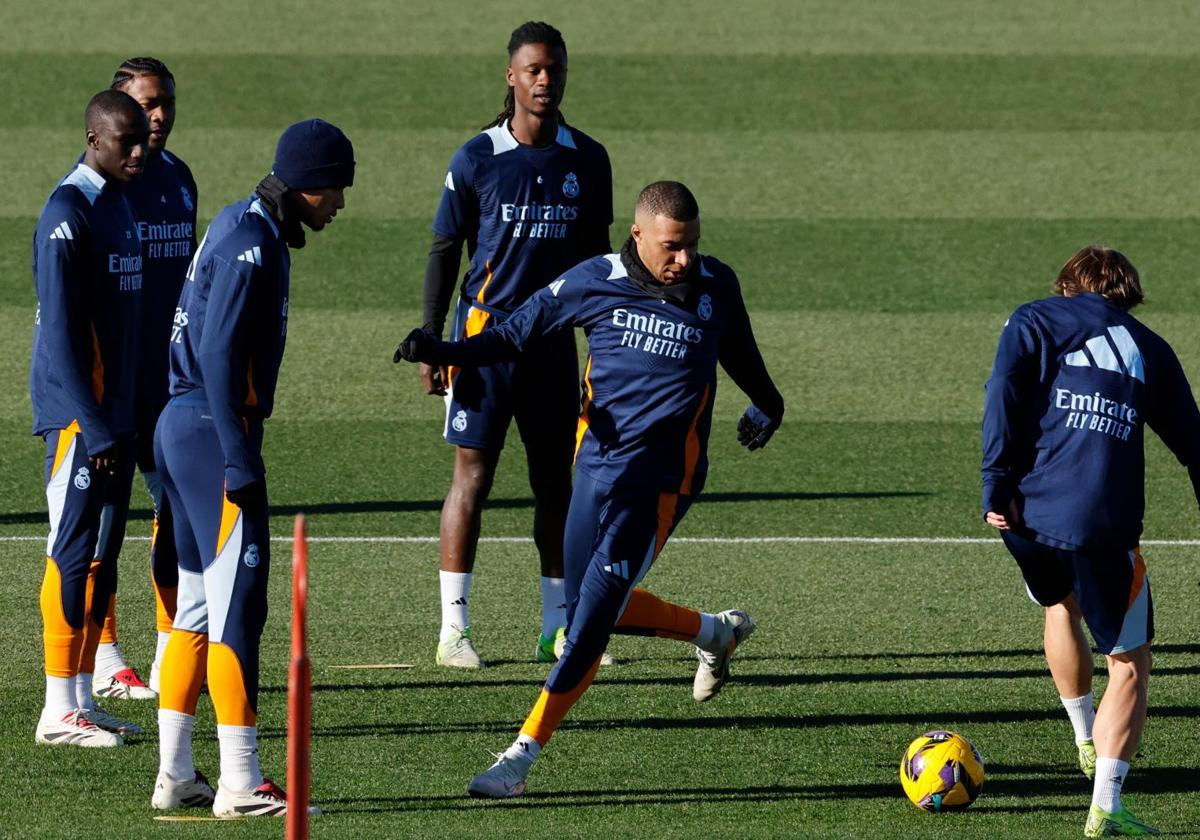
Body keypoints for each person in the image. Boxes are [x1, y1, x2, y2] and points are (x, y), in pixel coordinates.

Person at [395, 180, 785, 797]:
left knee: (586, 629)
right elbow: (515, 332)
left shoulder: (716, 286)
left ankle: (518, 759)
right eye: (671, 248)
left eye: (690, 246)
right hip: (596, 474)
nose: (684, 261)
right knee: (587, 612)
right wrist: (444, 348)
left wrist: (769, 403)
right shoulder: (594, 280)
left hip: (660, 484)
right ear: (638, 235)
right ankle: (716, 632)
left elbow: (736, 346)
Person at [150, 119, 353, 817]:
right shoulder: (252, 242)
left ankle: (175, 773)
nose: (340, 205)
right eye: (335, 189)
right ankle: (240, 781)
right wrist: (239, 457)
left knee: (199, 609)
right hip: (212, 433)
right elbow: (214, 353)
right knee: (242, 603)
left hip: (183, 428)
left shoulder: (246, 223)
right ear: (306, 182)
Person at [982, 246, 1200, 838]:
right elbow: (1195, 446)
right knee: (1129, 660)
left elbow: (1003, 388)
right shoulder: (1149, 348)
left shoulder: (1033, 318)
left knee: (1059, 603)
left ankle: (1083, 736)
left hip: (1022, 519)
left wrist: (993, 483)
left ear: (1067, 286)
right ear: (1127, 295)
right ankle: (1106, 803)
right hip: (1101, 527)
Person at [419, 21, 613, 668]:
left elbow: (596, 266)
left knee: (556, 486)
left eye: (554, 69)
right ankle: (454, 630)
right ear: (511, 75)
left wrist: (606, 351)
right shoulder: (476, 158)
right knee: (470, 479)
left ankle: (557, 627)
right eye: (532, 69)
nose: (544, 79)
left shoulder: (587, 160)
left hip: (553, 348)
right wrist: (436, 344)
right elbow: (446, 251)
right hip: (484, 345)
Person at [31, 89, 149, 747]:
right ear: (93, 137)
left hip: (117, 414)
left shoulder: (118, 205)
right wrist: (95, 423)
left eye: (141, 139)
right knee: (71, 551)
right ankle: (57, 710)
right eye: (124, 140)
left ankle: (81, 700)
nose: (138, 150)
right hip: (82, 418)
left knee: (102, 555)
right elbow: (61, 337)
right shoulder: (66, 215)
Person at [88, 56, 198, 701]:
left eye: (167, 103)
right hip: (112, 390)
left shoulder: (180, 178)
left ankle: (168, 651)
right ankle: (101, 655)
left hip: (168, 385)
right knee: (102, 524)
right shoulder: (101, 189)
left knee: (175, 514)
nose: (158, 116)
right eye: (146, 105)